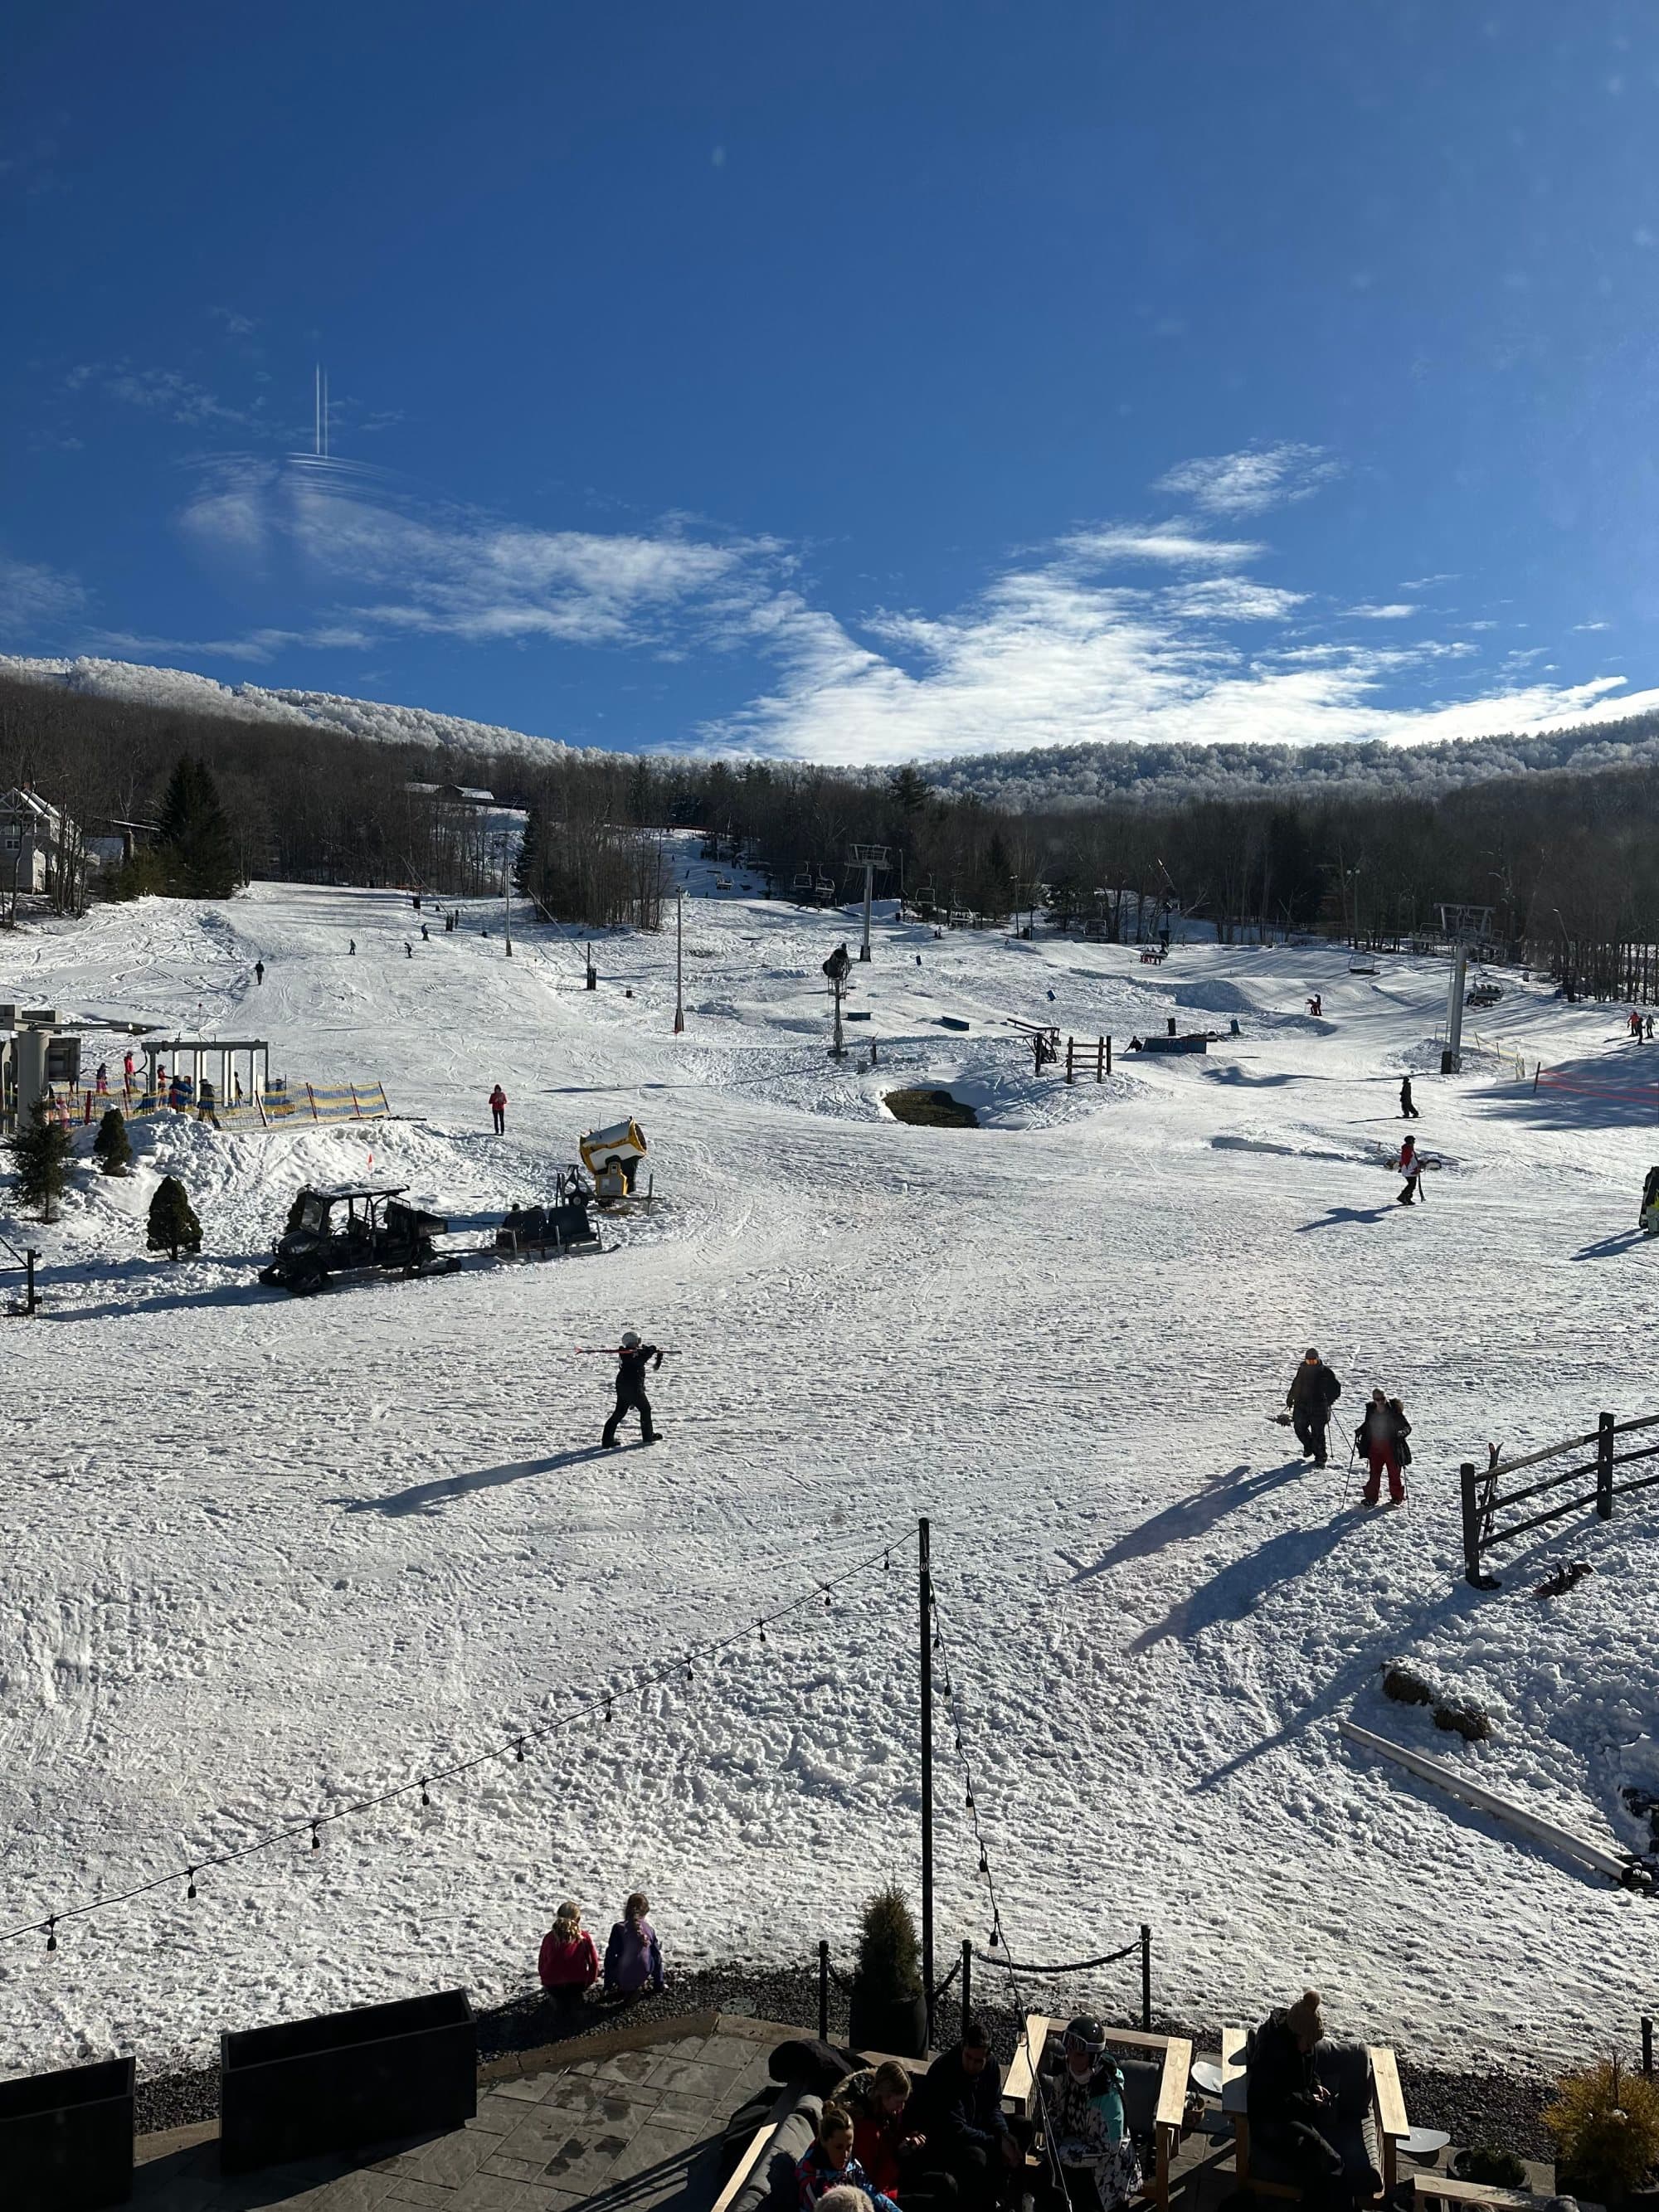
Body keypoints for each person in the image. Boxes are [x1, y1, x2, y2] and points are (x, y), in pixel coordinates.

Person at [1246, 1990, 1368, 2212]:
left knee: (1324, 2162)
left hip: (1294, 2111)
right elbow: (1271, 2100)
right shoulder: (1273, 2054)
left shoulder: (1302, 2043)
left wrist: (1315, 2085)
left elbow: (1309, 2068)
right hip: (1273, 2121)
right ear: (1296, 2035)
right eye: (1309, 2043)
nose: (1312, 2047)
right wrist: (1308, 2100)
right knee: (1329, 2159)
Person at [911, 2020, 1021, 2211]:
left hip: (976, 2127)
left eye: (978, 2061)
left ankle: (1009, 2194)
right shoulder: (944, 2072)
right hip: (944, 2141)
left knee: (1021, 2126)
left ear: (988, 2057)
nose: (972, 2064)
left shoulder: (991, 2067)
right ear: (963, 2047)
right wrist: (996, 2142)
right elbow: (956, 2130)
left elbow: (993, 2107)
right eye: (968, 2057)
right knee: (978, 2157)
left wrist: (1004, 2134)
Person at [1041, 2017, 1141, 2212]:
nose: (1071, 2058)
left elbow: (1109, 2148)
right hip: (1070, 2156)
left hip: (1106, 2173)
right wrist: (1056, 2140)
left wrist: (1066, 2152)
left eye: (1079, 2054)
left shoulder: (1108, 2093)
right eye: (1069, 2051)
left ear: (1093, 2057)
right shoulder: (1064, 2074)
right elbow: (1053, 2112)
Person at [836, 2061, 938, 2202]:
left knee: (945, 2182)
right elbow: (871, 2182)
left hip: (892, 2173)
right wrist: (898, 2156)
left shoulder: (885, 2111)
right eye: (899, 2102)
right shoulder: (863, 2128)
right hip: (881, 2194)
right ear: (886, 2096)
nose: (901, 2107)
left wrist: (908, 2140)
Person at [796, 2103, 901, 2212]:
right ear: (824, 2142)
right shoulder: (814, 2183)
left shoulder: (849, 2163)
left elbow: (870, 2190)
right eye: (839, 2147)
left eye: (849, 2146)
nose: (845, 2155)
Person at [538, 1900, 600, 2014]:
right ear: (578, 1920)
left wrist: (545, 1980)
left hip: (553, 1985)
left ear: (558, 1918)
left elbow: (542, 1962)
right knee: (575, 1997)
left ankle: (558, 2005)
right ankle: (577, 2003)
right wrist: (590, 1981)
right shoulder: (584, 1937)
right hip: (578, 1984)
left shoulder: (549, 1938)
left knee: (558, 2001)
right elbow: (593, 1963)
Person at [602, 1332, 663, 1447]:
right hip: (633, 1387)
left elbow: (637, 1359)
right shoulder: (629, 1355)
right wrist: (649, 1353)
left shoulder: (627, 1353)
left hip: (623, 1385)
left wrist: (645, 1352)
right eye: (638, 1341)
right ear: (634, 1342)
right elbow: (638, 1362)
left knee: (619, 1412)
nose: (639, 1343)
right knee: (645, 1410)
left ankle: (607, 1439)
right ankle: (648, 1436)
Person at [602, 1890, 665, 1998]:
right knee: (652, 1954)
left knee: (615, 1956)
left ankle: (625, 1985)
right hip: (644, 1972)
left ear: (627, 1909)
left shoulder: (618, 1928)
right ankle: (638, 1984)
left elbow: (610, 1957)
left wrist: (608, 1984)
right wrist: (659, 1984)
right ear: (645, 1912)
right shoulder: (649, 1929)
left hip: (622, 1974)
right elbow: (657, 1958)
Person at [1286, 1349, 1341, 1468]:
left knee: (1318, 1433)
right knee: (1299, 1428)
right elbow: (1296, 1384)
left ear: (1318, 1359)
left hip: (1319, 1407)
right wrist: (1290, 1398)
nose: (1311, 1363)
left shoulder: (1326, 1372)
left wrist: (1329, 1400)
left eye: (1313, 1361)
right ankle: (1309, 1446)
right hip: (1301, 1405)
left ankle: (1321, 1457)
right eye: (1308, 1361)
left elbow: (1336, 1389)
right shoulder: (1302, 1370)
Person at [1357, 1390, 1407, 1507]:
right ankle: (1371, 1498)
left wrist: (1401, 1433)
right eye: (1377, 1399)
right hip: (1375, 1447)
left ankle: (1397, 1497)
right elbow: (1368, 1424)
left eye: (1383, 1398)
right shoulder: (1371, 1411)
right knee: (1374, 1473)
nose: (1381, 1402)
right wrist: (1360, 1430)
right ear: (1374, 1400)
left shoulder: (1394, 1411)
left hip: (1391, 1448)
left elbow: (1407, 1427)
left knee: (1394, 1473)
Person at [1396, 1135, 1425, 1205]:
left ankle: (1406, 1198)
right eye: (1413, 1141)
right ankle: (1403, 1197)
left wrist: (1418, 1163)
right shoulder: (1407, 1149)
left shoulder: (1408, 1149)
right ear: (1410, 1141)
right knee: (1411, 1185)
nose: (1414, 1143)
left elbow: (1411, 1159)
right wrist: (1412, 1170)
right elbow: (1407, 1161)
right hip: (1409, 1170)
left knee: (1412, 1185)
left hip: (1410, 1169)